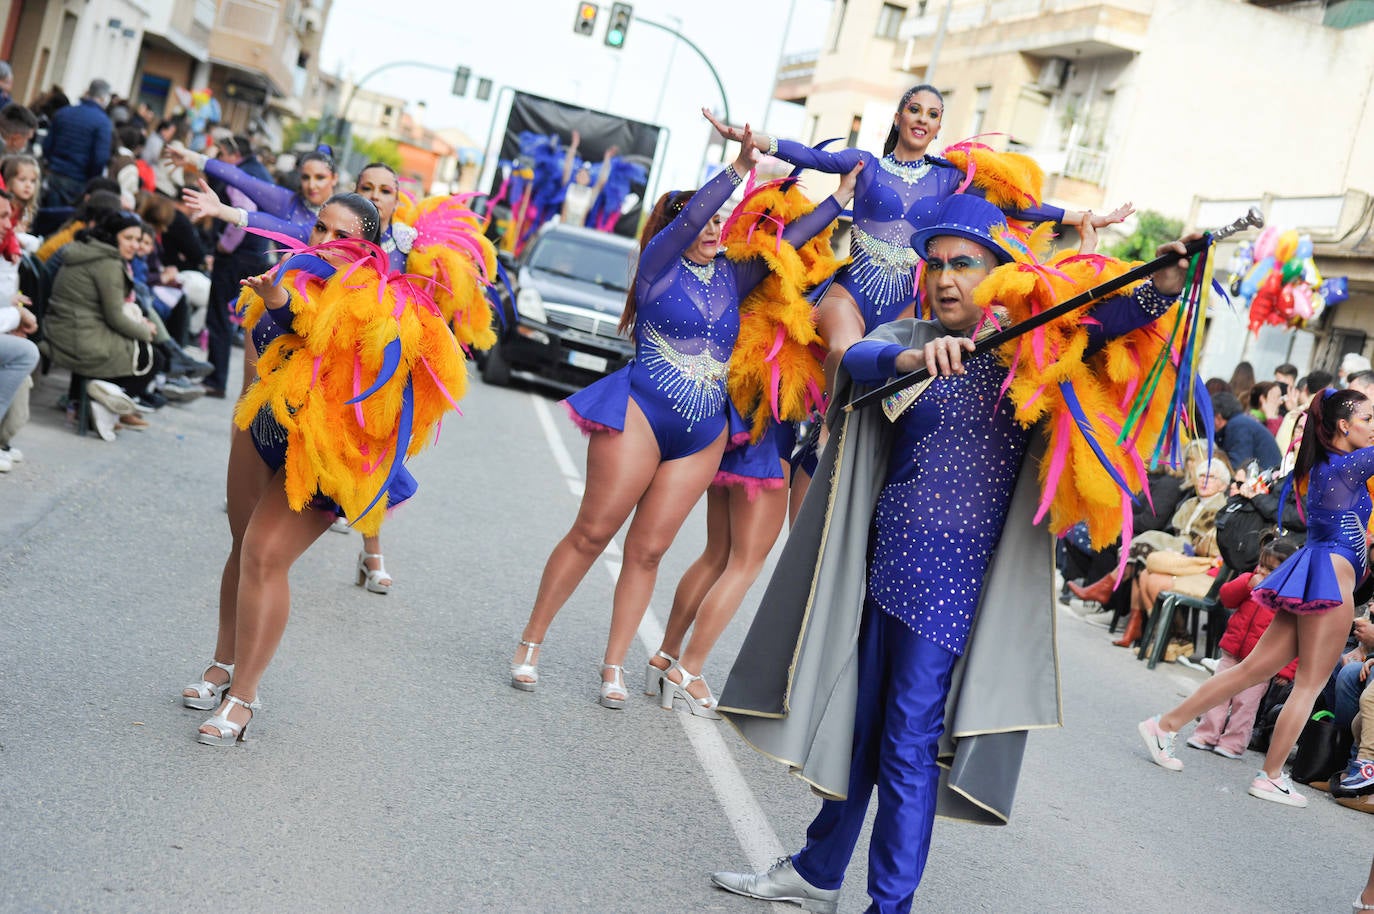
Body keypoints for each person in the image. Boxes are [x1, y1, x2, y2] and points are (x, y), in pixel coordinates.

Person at [711, 195, 1194, 913]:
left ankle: (891, 905)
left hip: (950, 585)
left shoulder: (1029, 348)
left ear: (997, 275)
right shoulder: (909, 338)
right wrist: (911, 355)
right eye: (933, 263)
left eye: (963, 264)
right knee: (858, 728)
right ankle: (817, 870)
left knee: (906, 745)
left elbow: (1103, 320)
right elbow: (860, 359)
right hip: (878, 571)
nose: (945, 278)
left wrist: (1162, 283)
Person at [510, 127, 851, 708]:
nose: (716, 225)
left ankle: (614, 664)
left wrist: (841, 195)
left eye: (725, 218)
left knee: (648, 551)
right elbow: (691, 217)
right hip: (640, 412)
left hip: (702, 433)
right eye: (709, 216)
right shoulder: (657, 266)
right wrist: (739, 165)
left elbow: (791, 240)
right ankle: (531, 641)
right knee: (594, 533)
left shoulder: (734, 275)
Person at [180, 192, 487, 744]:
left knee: (264, 555)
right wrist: (245, 417)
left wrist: (277, 299)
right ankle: (222, 663)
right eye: (319, 228)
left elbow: (312, 324)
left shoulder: (377, 302)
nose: (322, 240)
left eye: (338, 234)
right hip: (264, 426)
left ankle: (244, 697)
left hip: (325, 454)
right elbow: (261, 352)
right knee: (240, 547)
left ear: (366, 246)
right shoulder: (289, 270)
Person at [1139, 387, 1374, 809]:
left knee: (1253, 669)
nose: (1373, 428)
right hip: (1331, 578)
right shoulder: (1351, 463)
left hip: (1313, 571)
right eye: (1369, 419)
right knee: (1309, 684)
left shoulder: (1326, 463)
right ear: (1344, 425)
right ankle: (1269, 776)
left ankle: (1164, 724)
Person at [39, 208, 157, 439]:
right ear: (113, 236)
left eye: (137, 239)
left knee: (142, 344)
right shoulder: (108, 262)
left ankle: (95, 400)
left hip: (64, 328)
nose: (134, 245)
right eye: (128, 238)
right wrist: (146, 331)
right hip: (76, 337)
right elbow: (115, 317)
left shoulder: (90, 249)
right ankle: (101, 402)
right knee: (152, 357)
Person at [1184, 537, 1299, 758]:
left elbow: (1293, 637)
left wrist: (1285, 669)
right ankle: (1207, 733)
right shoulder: (1250, 581)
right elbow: (1227, 598)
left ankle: (1233, 742)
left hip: (1260, 662)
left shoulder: (1288, 598)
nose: (1263, 572)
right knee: (1218, 693)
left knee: (1245, 703)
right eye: (1262, 565)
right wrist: (1245, 583)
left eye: (1271, 569)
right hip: (1232, 651)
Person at [202, 135, 272, 398]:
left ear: (233, 153)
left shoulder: (241, 175)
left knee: (220, 317)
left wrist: (224, 246)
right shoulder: (260, 171)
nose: (220, 161)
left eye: (220, 154)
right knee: (247, 321)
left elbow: (243, 212)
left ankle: (215, 379)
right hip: (256, 255)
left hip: (236, 257)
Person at [169, 142, 339, 244]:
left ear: (334, 179)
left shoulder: (341, 217)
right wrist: (192, 158)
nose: (312, 185)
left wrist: (223, 211)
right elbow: (243, 180)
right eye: (305, 177)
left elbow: (292, 231)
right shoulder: (291, 202)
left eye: (320, 177)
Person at [42, 79, 114, 207]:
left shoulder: (64, 112)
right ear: (104, 98)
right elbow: (100, 158)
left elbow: (47, 145)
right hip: (78, 181)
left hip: (54, 175)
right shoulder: (103, 122)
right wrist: (91, 180)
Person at [559, 131, 617, 229]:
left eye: (585, 175)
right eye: (580, 174)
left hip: (578, 230)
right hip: (562, 227)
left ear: (589, 180)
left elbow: (602, 180)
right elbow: (567, 166)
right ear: (576, 176)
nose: (582, 176)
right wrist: (574, 145)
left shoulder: (590, 193)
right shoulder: (569, 187)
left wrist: (607, 159)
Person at [1213, 389, 1281, 470]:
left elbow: (1239, 464)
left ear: (1218, 417)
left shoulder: (1238, 426)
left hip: (1266, 476)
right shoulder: (1241, 422)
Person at [3, 154, 42, 236]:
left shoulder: (25, 209)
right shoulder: (4, 205)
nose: (28, 185)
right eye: (22, 180)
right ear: (9, 181)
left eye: (33, 181)